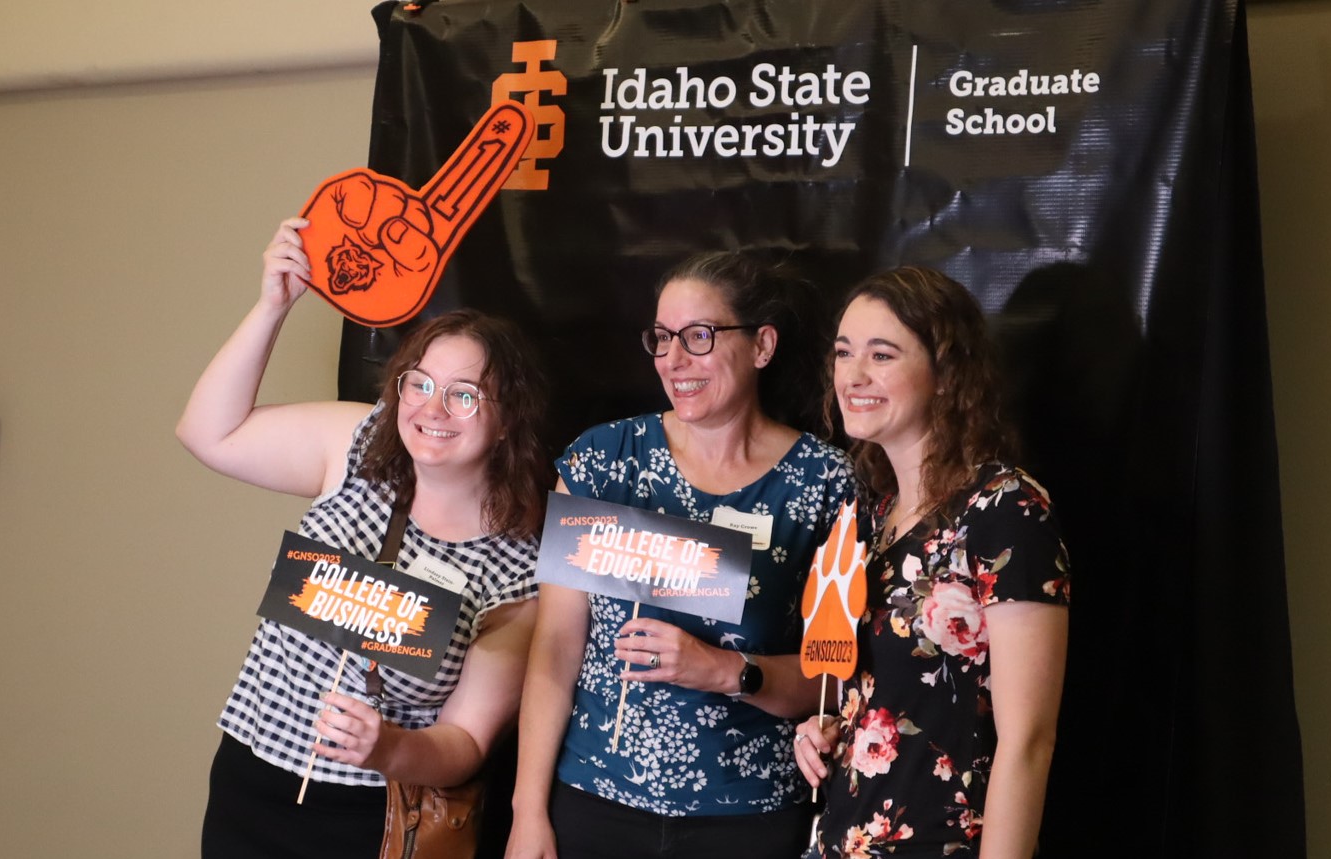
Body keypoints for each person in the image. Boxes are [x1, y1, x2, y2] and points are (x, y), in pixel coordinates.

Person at [180, 217, 552, 859]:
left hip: (370, 816)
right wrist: (274, 305)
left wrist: (387, 749)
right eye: (421, 384)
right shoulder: (359, 444)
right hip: (250, 777)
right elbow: (206, 433)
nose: (432, 410)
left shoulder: (518, 564)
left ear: (507, 419)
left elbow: (465, 743)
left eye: (465, 396)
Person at [509, 252, 855, 859]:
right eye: (663, 338)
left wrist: (724, 670)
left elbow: (832, 676)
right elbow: (556, 645)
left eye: (699, 336)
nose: (673, 359)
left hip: (751, 814)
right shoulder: (601, 461)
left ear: (762, 346)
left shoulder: (825, 482)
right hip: (594, 800)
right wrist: (528, 810)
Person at [792, 267, 1071, 859]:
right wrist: (834, 730)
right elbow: (897, 691)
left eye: (882, 355)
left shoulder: (1005, 509)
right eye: (844, 354)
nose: (854, 376)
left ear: (946, 375)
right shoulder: (872, 515)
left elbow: (1029, 740)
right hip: (843, 841)